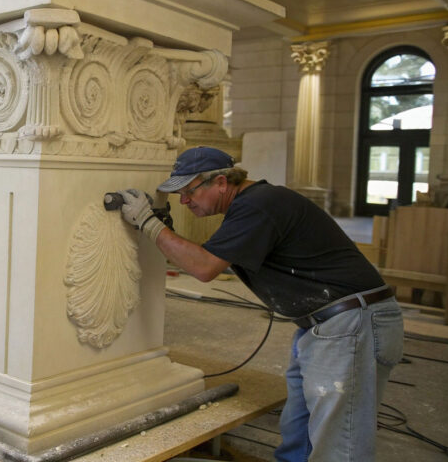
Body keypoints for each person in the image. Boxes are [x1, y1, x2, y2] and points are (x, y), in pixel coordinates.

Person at [116, 146, 403, 462]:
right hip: (324, 326)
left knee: (340, 444)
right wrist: (165, 232)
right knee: (299, 432)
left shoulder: (259, 205)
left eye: (189, 191)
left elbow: (204, 267)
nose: (185, 201)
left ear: (222, 182)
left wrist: (150, 224)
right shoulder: (252, 206)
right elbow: (202, 257)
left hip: (351, 325)